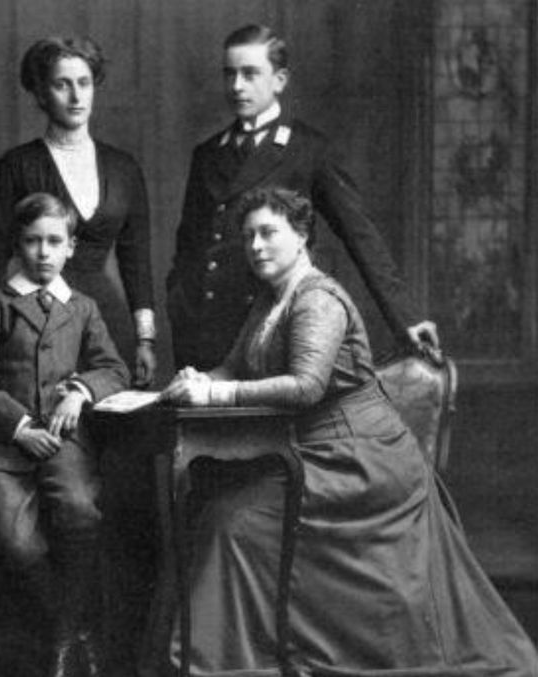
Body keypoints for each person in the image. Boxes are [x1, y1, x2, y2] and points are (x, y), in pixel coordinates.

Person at [161, 187, 538, 677]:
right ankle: (229, 656)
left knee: (234, 522)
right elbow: (234, 366)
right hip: (310, 449)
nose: (255, 245)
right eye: (248, 235)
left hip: (361, 458)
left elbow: (305, 387)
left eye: (268, 232)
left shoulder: (318, 299)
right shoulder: (271, 297)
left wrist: (214, 397)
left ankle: (226, 662)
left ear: (300, 236)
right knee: (223, 514)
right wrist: (197, 379)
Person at [166, 23, 439, 370]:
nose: (237, 86)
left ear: (279, 80)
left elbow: (361, 236)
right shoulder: (207, 153)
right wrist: (179, 302)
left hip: (267, 327)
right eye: (230, 74)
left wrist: (406, 318)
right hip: (202, 330)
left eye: (250, 74)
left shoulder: (308, 150)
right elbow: (189, 244)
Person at [0, 193, 129, 677]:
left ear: (72, 246)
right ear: (18, 243)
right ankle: (70, 624)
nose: (43, 252)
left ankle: (63, 636)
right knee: (18, 545)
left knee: (80, 513)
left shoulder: (82, 307)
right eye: (32, 241)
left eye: (54, 241)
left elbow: (113, 369)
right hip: (4, 445)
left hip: (63, 441)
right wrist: (19, 427)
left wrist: (80, 391)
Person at [0, 36, 156, 387]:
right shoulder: (17, 165)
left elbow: (137, 260)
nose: (76, 97)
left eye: (84, 83)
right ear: (42, 94)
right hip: (34, 318)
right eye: (62, 85)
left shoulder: (123, 167)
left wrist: (145, 339)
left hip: (107, 317)